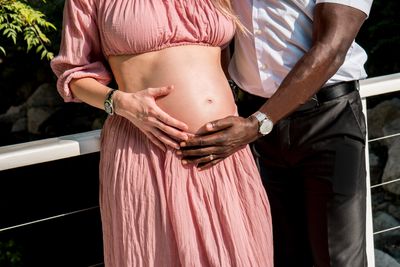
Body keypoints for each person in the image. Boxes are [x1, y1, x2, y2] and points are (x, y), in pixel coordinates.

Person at [50, 0, 273, 266]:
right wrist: (120, 102)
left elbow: (219, 62)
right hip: (148, 149)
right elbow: (73, 76)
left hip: (225, 152)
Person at [179, 0, 373, 266]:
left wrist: (259, 123)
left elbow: (331, 48)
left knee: (338, 258)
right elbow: (217, 32)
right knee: (278, 253)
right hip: (252, 126)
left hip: (327, 123)